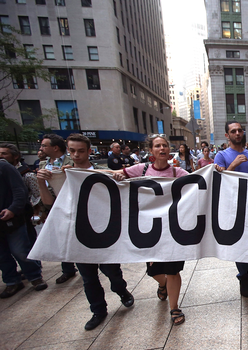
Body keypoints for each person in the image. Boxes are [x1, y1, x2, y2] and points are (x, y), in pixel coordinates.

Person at [38, 134, 134, 330]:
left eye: (81, 151)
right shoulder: (61, 175)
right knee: (88, 277)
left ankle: (121, 290)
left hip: (105, 232)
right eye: (72, 151)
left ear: (89, 152)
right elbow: (49, 203)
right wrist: (41, 182)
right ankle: (98, 310)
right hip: (78, 234)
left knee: (111, 271)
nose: (76, 155)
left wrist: (118, 176)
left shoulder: (103, 173)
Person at [110, 133, 188, 326]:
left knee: (172, 269)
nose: (162, 149)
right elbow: (117, 174)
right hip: (149, 229)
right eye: (158, 146)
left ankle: (174, 307)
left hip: (172, 229)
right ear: (151, 150)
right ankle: (163, 285)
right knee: (153, 271)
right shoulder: (141, 169)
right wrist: (119, 174)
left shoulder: (177, 173)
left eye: (165, 145)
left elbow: (201, 182)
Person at [214, 122, 248, 297]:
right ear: (227, 135)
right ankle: (243, 276)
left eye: (239, 130)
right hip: (232, 207)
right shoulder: (221, 156)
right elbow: (219, 182)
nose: (237, 133)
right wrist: (233, 165)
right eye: (233, 131)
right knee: (237, 242)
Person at [0, 154, 47, 298]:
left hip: (11, 218)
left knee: (20, 250)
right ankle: (11, 281)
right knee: (2, 255)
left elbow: (20, 191)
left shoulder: (4, 167)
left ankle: (34, 276)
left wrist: (13, 209)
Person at [38, 134, 77, 284]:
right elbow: (43, 191)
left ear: (55, 147)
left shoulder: (72, 162)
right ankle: (67, 269)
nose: (41, 148)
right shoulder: (43, 164)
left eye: (44, 145)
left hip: (71, 205)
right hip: (53, 205)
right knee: (61, 237)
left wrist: (73, 171)